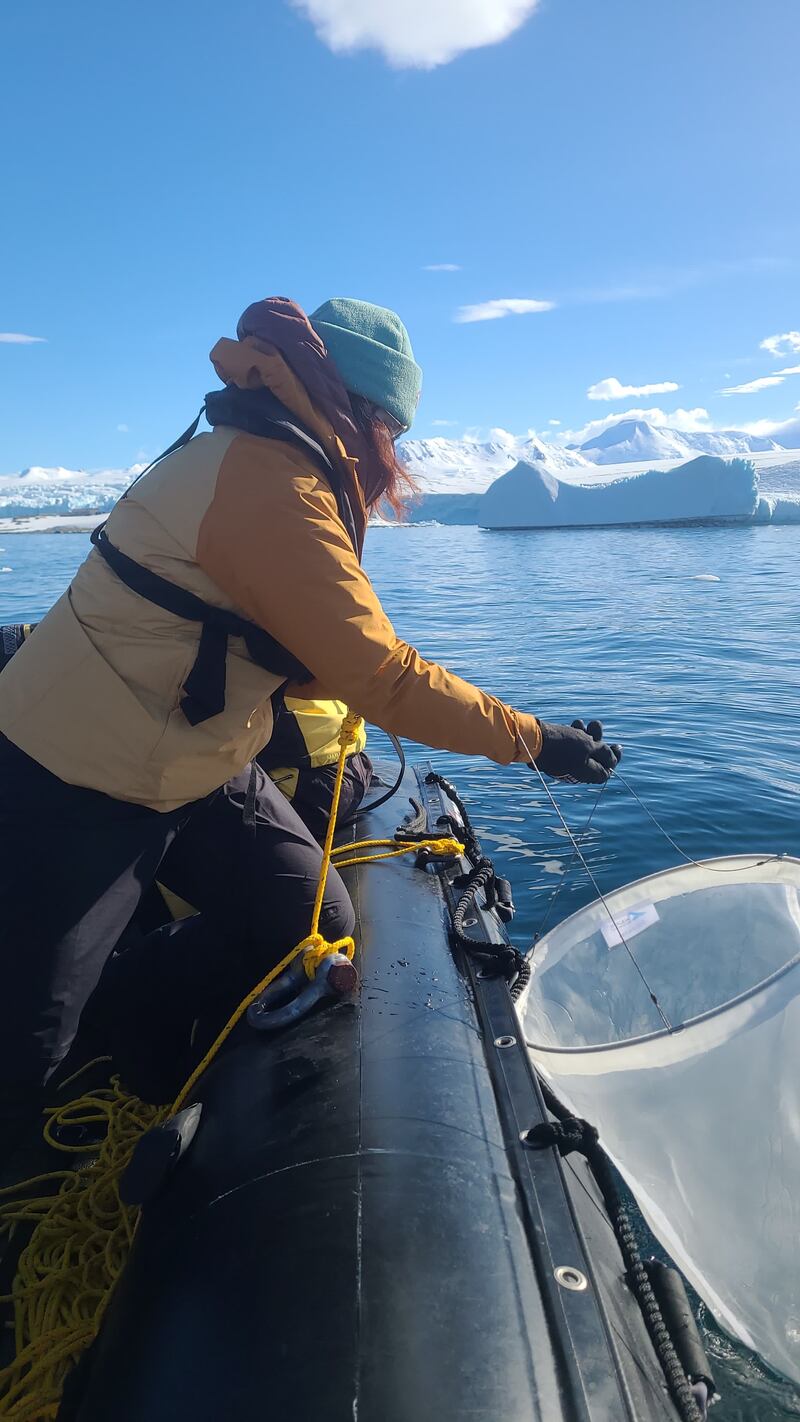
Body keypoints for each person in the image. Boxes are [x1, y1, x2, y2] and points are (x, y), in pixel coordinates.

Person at [0, 295, 620, 1142]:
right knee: (29, 1049)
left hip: (196, 760)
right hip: (76, 767)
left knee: (314, 925)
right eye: (390, 429)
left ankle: (128, 998)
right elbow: (382, 677)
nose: (392, 452)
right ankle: (88, 1040)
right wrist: (536, 740)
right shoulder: (272, 483)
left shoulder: (264, 458)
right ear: (354, 407)